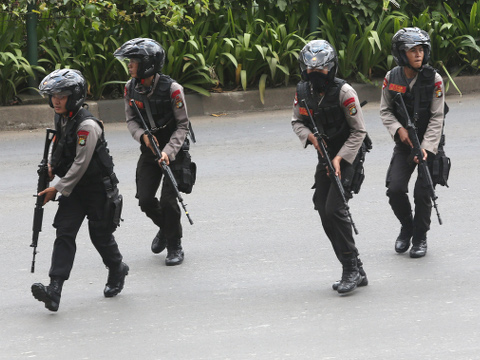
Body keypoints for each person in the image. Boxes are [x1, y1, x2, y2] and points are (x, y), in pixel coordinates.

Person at [31, 69, 129, 312]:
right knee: (64, 234)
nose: (56, 100)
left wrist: (57, 188)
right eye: (53, 95)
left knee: (100, 237)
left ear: (74, 96)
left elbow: (81, 164)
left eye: (62, 95)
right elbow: (61, 146)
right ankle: (54, 290)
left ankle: (117, 269)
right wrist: (52, 167)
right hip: (74, 191)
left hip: (97, 189)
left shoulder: (87, 125)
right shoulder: (61, 117)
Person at [291, 40, 368, 294]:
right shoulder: (302, 92)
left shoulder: (345, 92)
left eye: (321, 71)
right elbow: (297, 122)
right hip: (324, 154)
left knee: (335, 209)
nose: (316, 76)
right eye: (311, 71)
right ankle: (355, 266)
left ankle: (350, 269)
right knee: (322, 209)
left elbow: (359, 132)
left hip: (348, 155)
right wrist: (312, 139)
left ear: (331, 69)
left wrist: (339, 159)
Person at [114, 38, 191, 266]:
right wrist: (143, 136)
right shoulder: (130, 88)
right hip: (150, 149)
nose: (130, 65)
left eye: (134, 61)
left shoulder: (173, 90)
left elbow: (183, 126)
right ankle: (166, 229)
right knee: (145, 200)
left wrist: (168, 151)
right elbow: (131, 122)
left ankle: (175, 244)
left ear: (148, 64)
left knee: (168, 201)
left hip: (174, 150)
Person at [380, 27, 444, 258]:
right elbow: (385, 111)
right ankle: (407, 226)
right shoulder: (391, 77)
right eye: (412, 50)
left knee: (422, 192)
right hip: (404, 143)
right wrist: (398, 130)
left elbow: (437, 117)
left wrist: (426, 148)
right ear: (400, 53)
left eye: (421, 50)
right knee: (394, 189)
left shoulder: (434, 79)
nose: (418, 55)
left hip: (429, 144)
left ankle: (420, 237)